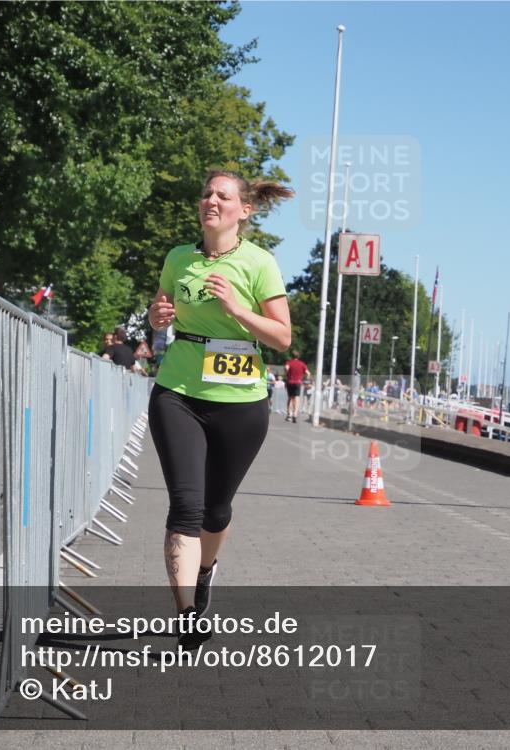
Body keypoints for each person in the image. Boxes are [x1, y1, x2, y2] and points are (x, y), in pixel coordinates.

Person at [147, 170, 293, 648]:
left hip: (241, 401)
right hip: (178, 390)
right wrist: (157, 317)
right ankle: (187, 614)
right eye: (206, 192)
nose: (211, 200)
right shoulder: (178, 258)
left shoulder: (259, 263)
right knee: (186, 504)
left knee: (216, 509)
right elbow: (160, 310)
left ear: (243, 210)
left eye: (223, 196)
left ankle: (206, 570)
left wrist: (236, 309)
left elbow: (282, 337)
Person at [283, 350, 308, 423]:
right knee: (297, 398)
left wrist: (286, 374)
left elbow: (286, 368)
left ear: (291, 356)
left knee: (290, 398)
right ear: (298, 356)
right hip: (298, 382)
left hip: (290, 382)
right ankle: (295, 414)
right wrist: (303, 378)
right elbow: (308, 373)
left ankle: (289, 414)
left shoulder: (289, 362)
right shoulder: (302, 364)